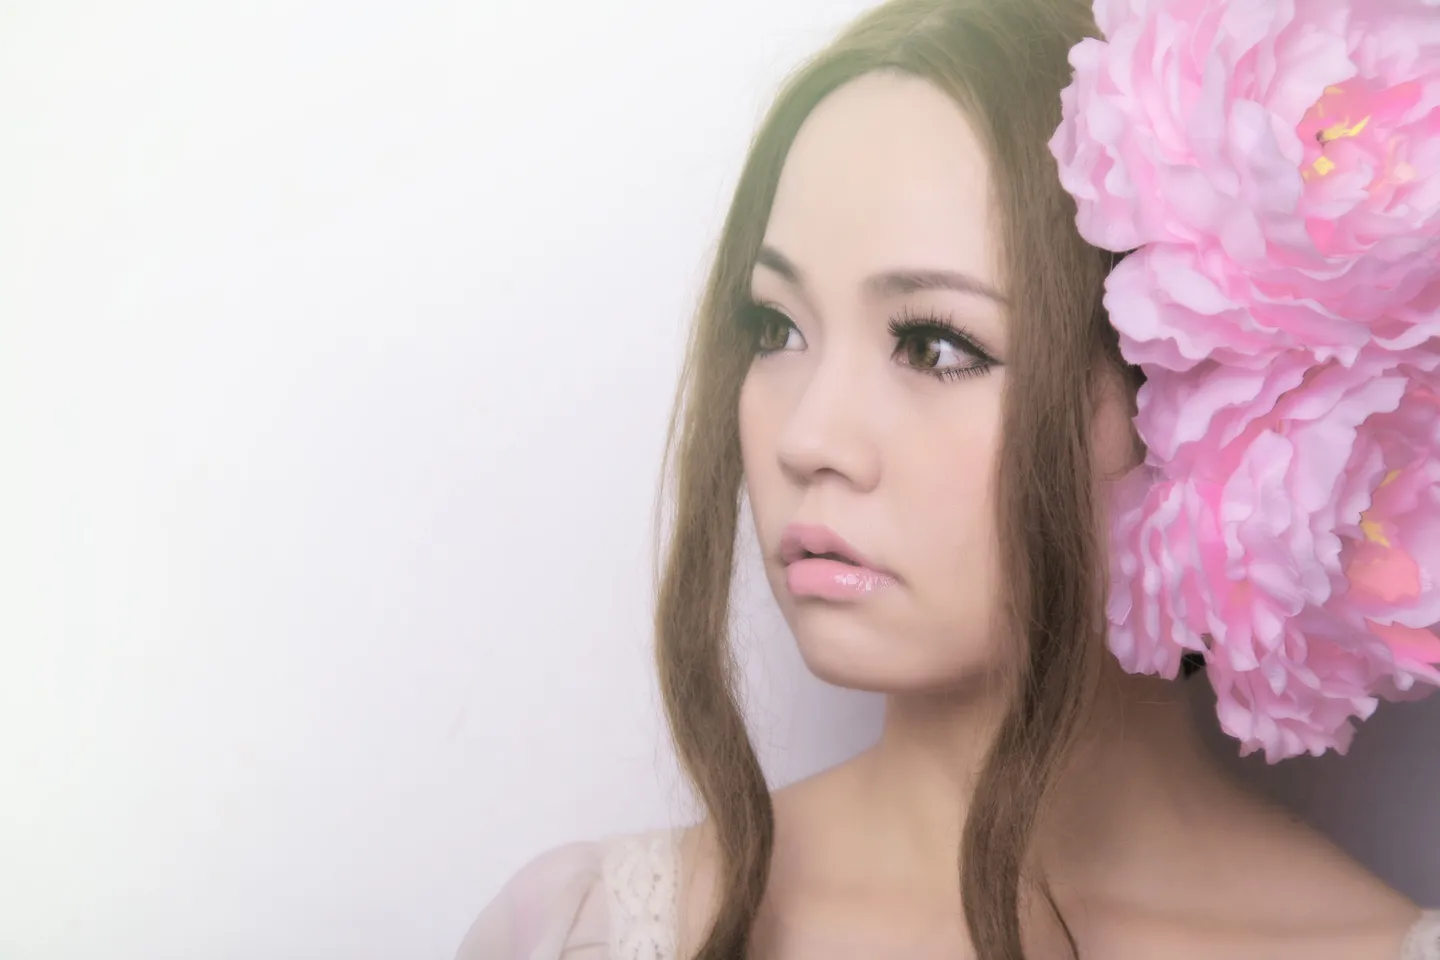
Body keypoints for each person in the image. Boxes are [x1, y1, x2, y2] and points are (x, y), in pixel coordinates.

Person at [459, 0, 1440, 957]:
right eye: (775, 328)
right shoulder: (583, 933)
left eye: (933, 346)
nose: (806, 437)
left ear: (1207, 408)